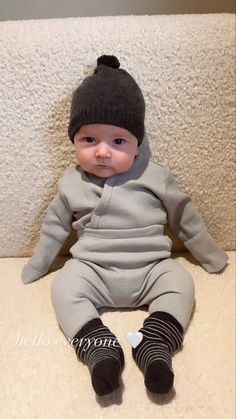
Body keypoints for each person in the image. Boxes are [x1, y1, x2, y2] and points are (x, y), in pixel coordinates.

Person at [22, 55, 228, 397]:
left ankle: (154, 343)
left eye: (118, 142)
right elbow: (54, 228)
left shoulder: (155, 176)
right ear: (74, 140)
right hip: (93, 270)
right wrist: (38, 264)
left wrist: (210, 255)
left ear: (136, 143)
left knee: (181, 284)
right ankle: (99, 347)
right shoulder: (70, 183)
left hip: (151, 269)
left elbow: (184, 217)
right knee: (63, 288)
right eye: (89, 140)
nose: (102, 152)